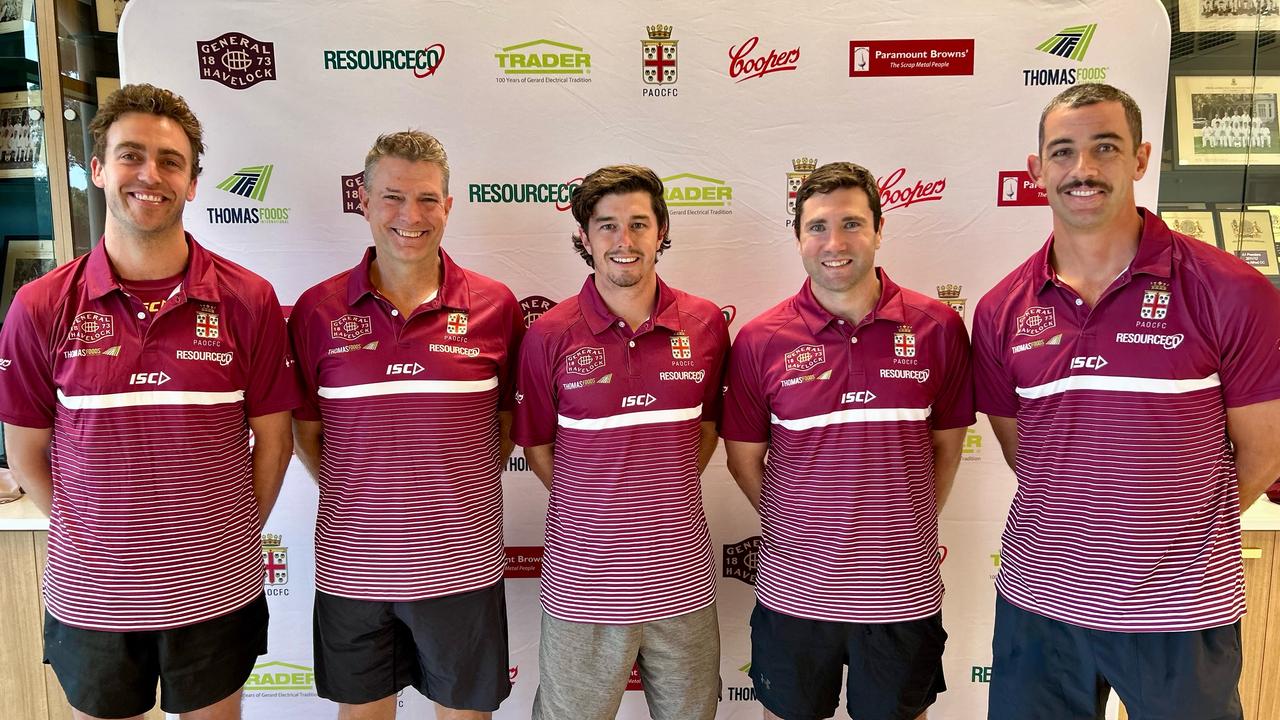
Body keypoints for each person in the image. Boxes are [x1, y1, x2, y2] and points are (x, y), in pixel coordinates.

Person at [974, 82, 1280, 720]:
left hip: (1181, 612)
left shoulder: (1233, 291)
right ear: (1036, 171)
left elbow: (1261, 453)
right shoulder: (1001, 309)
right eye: (1062, 152)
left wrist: (1172, 534)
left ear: (1140, 160)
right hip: (1039, 607)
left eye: (1104, 148)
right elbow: (1025, 449)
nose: (1081, 169)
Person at [0, 83, 297, 720]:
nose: (150, 175)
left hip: (219, 587)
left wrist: (235, 532)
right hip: (92, 596)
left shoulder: (248, 300)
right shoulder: (41, 305)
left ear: (192, 184)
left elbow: (274, 442)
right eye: (131, 155)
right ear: (100, 169)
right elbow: (25, 450)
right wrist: (92, 536)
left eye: (171, 161)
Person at [721, 161, 974, 720]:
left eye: (852, 224)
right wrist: (801, 527)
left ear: (880, 230)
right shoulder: (761, 339)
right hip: (793, 589)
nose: (834, 242)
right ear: (797, 238)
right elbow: (744, 460)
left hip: (902, 593)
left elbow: (947, 448)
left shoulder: (938, 327)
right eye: (817, 227)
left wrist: (902, 528)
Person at [290, 130, 522, 720]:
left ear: (449, 204)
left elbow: (504, 424)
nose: (409, 216)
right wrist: (366, 494)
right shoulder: (316, 311)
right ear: (363, 202)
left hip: (463, 565)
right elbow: (309, 434)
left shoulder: (497, 306)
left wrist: (450, 488)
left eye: (426, 199)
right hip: (353, 568)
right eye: (392, 197)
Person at [512, 164, 730, 720]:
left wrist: (664, 483)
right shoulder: (548, 335)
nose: (624, 241)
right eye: (606, 225)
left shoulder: (705, 325)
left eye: (639, 223)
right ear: (584, 236)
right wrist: (595, 498)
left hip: (685, 584)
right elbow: (538, 447)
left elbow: (706, 430)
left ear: (662, 231)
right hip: (583, 588)